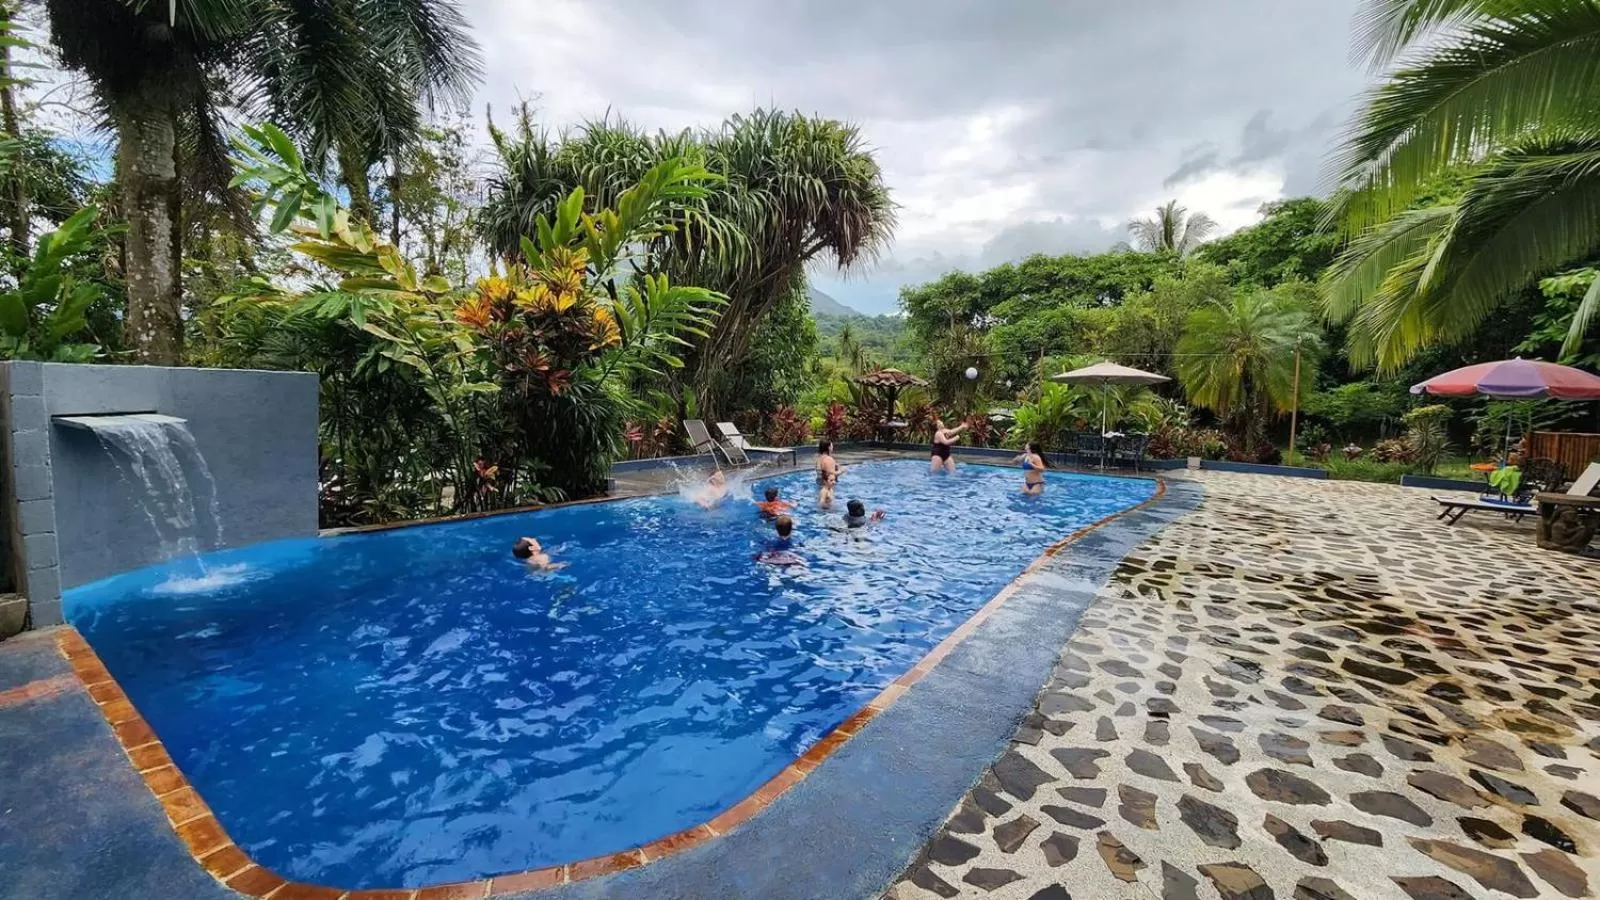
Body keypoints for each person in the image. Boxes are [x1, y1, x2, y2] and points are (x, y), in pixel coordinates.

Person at [816, 440, 842, 508]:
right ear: (828, 447)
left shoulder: (819, 458)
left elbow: (824, 472)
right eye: (831, 445)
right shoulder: (828, 459)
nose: (832, 447)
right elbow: (832, 474)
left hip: (819, 482)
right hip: (827, 484)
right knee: (828, 500)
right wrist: (841, 470)